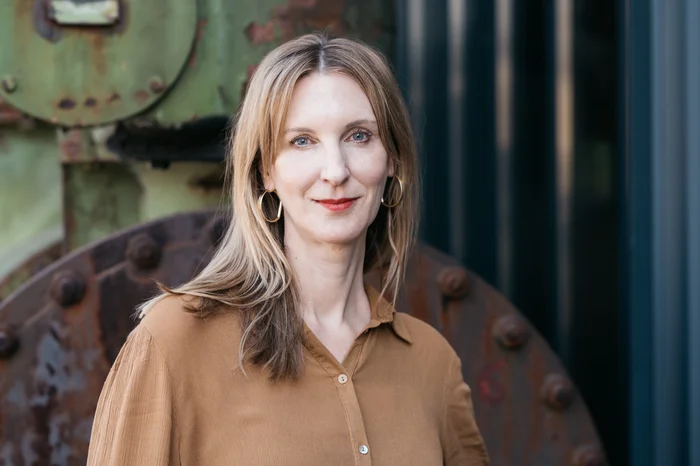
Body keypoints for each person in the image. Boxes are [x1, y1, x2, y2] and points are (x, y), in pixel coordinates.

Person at [86, 33, 489, 466]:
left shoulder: (432, 363)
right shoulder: (175, 343)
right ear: (266, 170)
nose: (335, 171)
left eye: (358, 136)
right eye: (302, 141)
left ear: (391, 160)